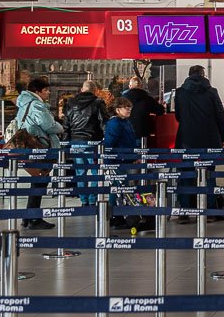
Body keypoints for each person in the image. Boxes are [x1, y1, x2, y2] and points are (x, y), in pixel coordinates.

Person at [173, 64, 224, 219]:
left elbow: (178, 116)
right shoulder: (211, 92)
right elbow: (220, 116)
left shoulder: (180, 93)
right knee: (209, 175)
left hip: (187, 140)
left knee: (185, 175)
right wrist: (223, 137)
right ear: (204, 75)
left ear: (189, 75)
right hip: (209, 139)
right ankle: (210, 211)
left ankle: (184, 212)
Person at [10, 77, 64, 230]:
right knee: (41, 180)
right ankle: (34, 218)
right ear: (37, 91)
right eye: (46, 90)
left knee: (37, 179)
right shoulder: (36, 105)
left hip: (30, 146)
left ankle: (28, 216)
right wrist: (60, 127)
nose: (48, 93)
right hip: (41, 147)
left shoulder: (24, 104)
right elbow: (48, 125)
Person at [102, 99, 150, 233]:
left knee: (119, 188)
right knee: (118, 188)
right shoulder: (116, 123)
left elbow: (129, 141)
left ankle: (117, 215)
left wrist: (134, 156)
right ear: (117, 109)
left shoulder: (125, 122)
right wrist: (110, 160)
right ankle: (116, 216)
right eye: (126, 108)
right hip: (118, 161)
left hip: (125, 159)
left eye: (130, 107)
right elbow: (110, 143)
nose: (129, 110)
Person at [63, 80, 107, 206]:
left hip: (76, 142)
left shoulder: (71, 103)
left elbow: (66, 124)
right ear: (95, 91)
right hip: (92, 142)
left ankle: (83, 200)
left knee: (80, 172)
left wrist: (66, 143)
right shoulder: (98, 103)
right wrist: (106, 140)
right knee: (95, 172)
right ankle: (93, 199)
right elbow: (104, 122)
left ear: (82, 89)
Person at [122, 76, 165, 144]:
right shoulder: (146, 98)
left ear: (130, 86)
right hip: (141, 133)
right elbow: (160, 111)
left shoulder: (123, 99)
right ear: (141, 86)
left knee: (127, 153)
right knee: (141, 153)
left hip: (125, 133)